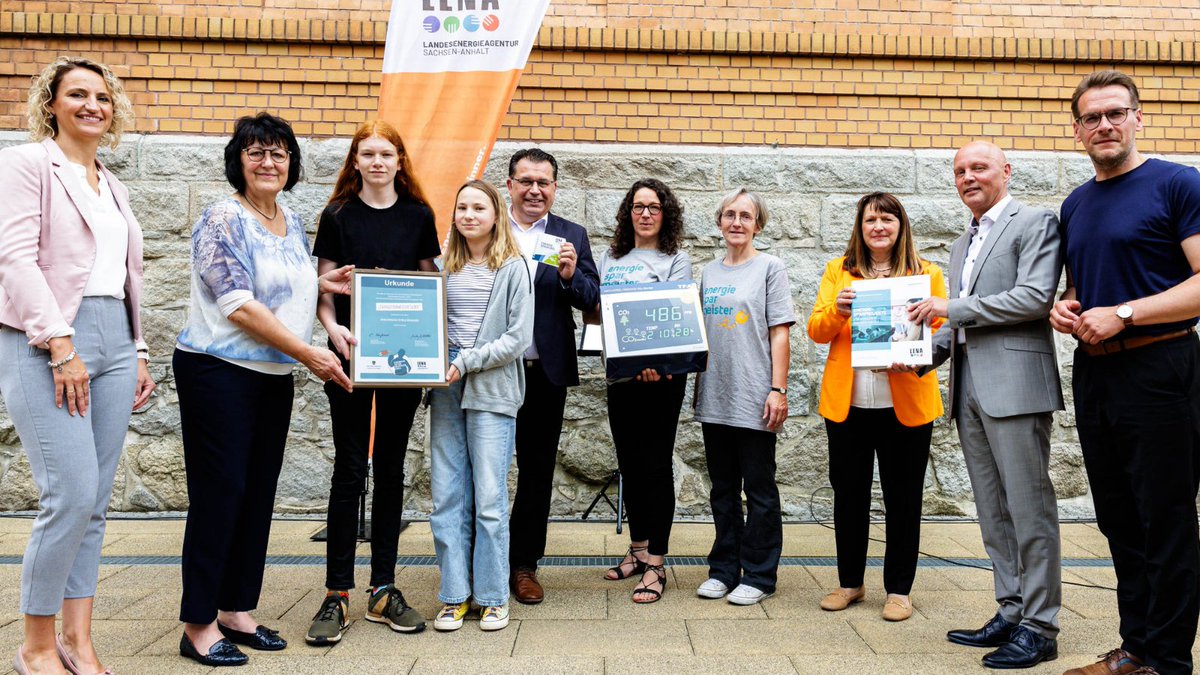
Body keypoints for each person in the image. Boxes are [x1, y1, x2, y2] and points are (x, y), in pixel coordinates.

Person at [174, 112, 354, 667]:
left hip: (272, 376)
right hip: (218, 371)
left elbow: (283, 284)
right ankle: (198, 623)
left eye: (279, 153)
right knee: (219, 493)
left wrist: (321, 285)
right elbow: (238, 303)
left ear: (291, 163)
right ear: (239, 160)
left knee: (256, 493)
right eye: (257, 153)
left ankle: (236, 609)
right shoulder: (223, 218)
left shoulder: (289, 218)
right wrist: (309, 355)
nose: (269, 162)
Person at [0, 56, 155, 675]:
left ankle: (78, 639)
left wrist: (138, 350)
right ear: (52, 104)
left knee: (95, 501)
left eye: (103, 97)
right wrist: (61, 346)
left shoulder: (111, 183)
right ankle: (36, 646)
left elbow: (125, 275)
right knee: (70, 492)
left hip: (115, 338)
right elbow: (14, 260)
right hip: (46, 339)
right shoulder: (27, 165)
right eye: (78, 95)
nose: (93, 105)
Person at [1050, 70, 1200, 675]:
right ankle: (1134, 649)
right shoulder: (1076, 202)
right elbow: (1092, 288)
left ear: (1139, 118)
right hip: (1098, 374)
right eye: (1092, 117)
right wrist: (1067, 303)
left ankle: (1166, 660)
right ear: (1078, 130)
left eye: (1116, 113)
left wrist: (1127, 314)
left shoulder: (1177, 184)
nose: (1104, 125)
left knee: (1164, 519)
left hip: (1160, 366)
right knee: (1119, 517)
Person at [908, 141, 1065, 669]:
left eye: (978, 167)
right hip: (968, 388)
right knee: (993, 511)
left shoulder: (1035, 222)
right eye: (959, 171)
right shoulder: (960, 244)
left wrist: (947, 306)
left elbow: (1034, 299)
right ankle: (1012, 607)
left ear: (1006, 171)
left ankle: (1041, 627)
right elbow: (959, 325)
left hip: (1017, 384)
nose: (968, 177)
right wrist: (920, 356)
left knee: (1030, 508)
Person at [304, 120, 441, 646]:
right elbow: (324, 286)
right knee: (348, 472)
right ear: (355, 161)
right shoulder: (337, 214)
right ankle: (337, 592)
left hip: (402, 363)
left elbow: (430, 283)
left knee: (390, 469)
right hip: (352, 358)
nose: (378, 162)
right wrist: (331, 326)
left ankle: (383, 587)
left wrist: (433, 341)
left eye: (387, 153)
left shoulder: (418, 216)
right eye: (368, 154)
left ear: (399, 161)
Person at [807, 192, 946, 623]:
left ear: (901, 226)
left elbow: (940, 335)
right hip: (848, 406)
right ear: (860, 227)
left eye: (887, 219)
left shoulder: (926, 274)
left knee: (904, 499)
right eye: (870, 220)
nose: (879, 227)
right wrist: (839, 310)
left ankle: (899, 590)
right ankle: (850, 582)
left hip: (905, 404)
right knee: (849, 497)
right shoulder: (839, 272)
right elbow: (815, 329)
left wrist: (917, 351)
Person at [429, 180, 533, 633]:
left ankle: (492, 595)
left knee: (489, 497)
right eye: (462, 207)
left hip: (491, 389)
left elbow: (517, 338)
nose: (469, 215)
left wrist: (464, 361)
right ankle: (454, 595)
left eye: (479, 207)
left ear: (496, 215)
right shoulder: (440, 267)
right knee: (447, 495)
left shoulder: (514, 267)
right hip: (446, 391)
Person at [505, 148, 600, 605]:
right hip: (491, 372)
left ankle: (524, 565)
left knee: (537, 471)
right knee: (480, 469)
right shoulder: (488, 224)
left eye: (543, 182)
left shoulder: (570, 234)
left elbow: (593, 299)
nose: (534, 190)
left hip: (545, 372)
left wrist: (568, 276)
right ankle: (478, 559)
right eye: (526, 181)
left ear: (555, 188)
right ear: (510, 185)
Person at [692, 189, 794, 606]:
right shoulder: (707, 273)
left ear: (758, 224)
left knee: (760, 489)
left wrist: (778, 389)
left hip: (755, 396)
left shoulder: (771, 267)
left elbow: (781, 331)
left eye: (746, 216)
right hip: (714, 395)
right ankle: (723, 570)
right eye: (729, 215)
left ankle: (759, 574)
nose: (737, 222)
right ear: (719, 222)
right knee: (722, 489)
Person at [597, 178, 692, 604]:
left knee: (655, 465)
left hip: (662, 377)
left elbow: (674, 310)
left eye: (654, 207)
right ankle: (636, 550)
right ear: (628, 212)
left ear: (665, 213)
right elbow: (598, 310)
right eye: (638, 206)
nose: (646, 214)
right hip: (621, 376)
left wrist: (656, 361)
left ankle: (657, 562)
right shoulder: (610, 257)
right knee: (630, 464)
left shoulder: (677, 259)